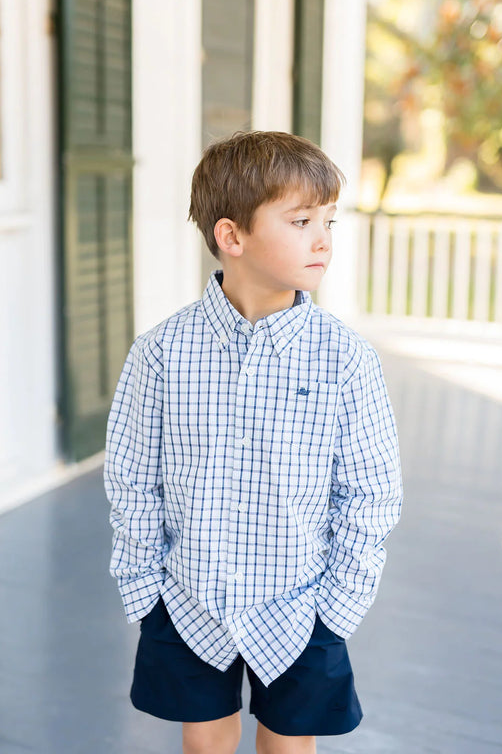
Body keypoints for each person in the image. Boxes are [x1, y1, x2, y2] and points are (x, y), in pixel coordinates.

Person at [104, 130, 402, 754]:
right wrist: (144, 586)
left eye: (329, 220)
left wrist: (338, 606)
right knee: (205, 744)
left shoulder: (346, 361)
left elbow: (371, 492)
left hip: (301, 604)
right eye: (300, 220)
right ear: (231, 236)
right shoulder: (160, 355)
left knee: (290, 746)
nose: (323, 239)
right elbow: (133, 479)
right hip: (187, 598)